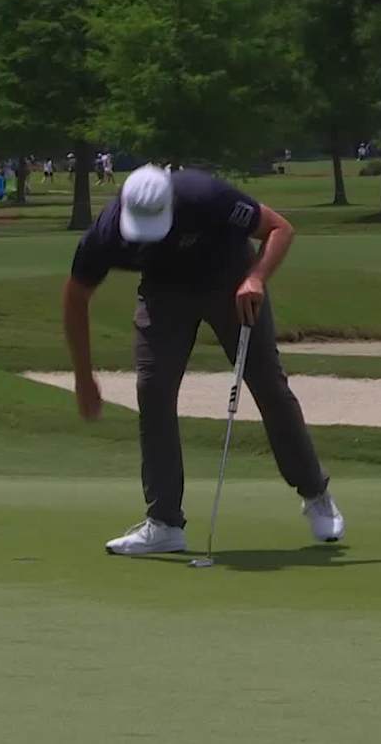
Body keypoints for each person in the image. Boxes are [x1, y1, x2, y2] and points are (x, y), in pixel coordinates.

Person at [63, 165, 344, 555]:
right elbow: (76, 298)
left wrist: (257, 277)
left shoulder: (205, 196)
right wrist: (82, 376)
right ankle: (164, 523)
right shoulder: (109, 232)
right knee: (153, 390)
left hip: (230, 281)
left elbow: (281, 229)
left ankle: (315, 494)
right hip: (163, 293)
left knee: (267, 383)